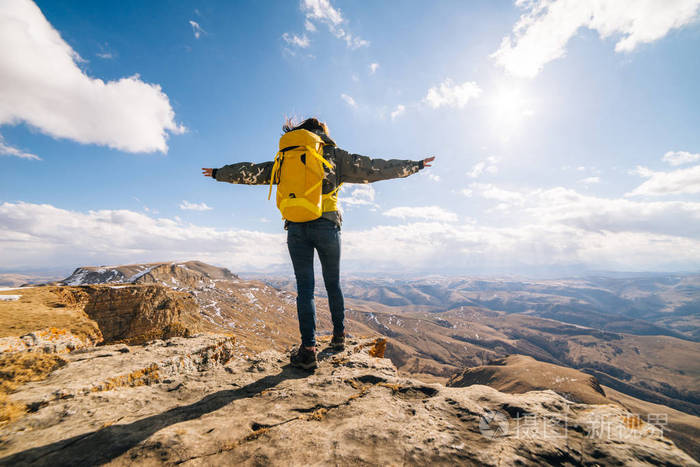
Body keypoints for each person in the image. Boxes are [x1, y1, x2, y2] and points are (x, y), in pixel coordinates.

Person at [202, 117, 435, 370]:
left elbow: (253, 172)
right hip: (327, 226)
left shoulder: (287, 156)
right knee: (332, 283)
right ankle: (338, 338)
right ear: (322, 132)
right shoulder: (335, 156)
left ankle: (309, 349)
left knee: (305, 288)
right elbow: (374, 168)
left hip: (296, 227)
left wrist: (218, 173)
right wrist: (414, 166)